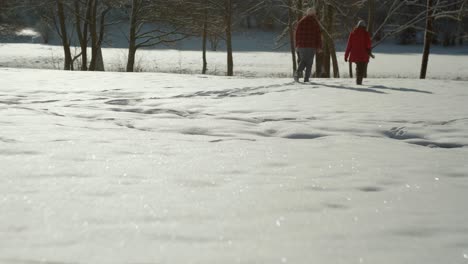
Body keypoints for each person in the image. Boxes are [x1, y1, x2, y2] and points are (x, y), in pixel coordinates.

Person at [294, 8, 322, 82]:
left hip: (301, 46)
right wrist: (319, 46)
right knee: (309, 63)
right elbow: (318, 35)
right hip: (311, 45)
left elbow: (296, 34)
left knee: (303, 60)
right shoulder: (315, 22)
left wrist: (297, 44)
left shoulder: (301, 21)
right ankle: (306, 79)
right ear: (313, 14)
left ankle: (297, 73)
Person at [345, 20, 375, 85]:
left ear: (357, 26)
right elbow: (368, 44)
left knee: (359, 67)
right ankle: (359, 82)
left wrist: (346, 56)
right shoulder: (366, 34)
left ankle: (358, 81)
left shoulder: (353, 33)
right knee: (361, 68)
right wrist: (369, 50)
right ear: (364, 26)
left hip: (355, 55)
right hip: (363, 55)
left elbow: (349, 45)